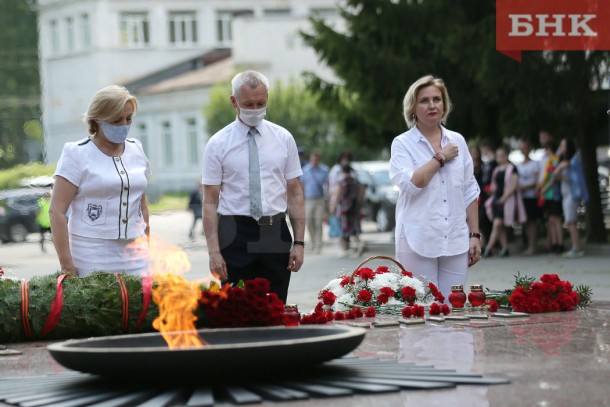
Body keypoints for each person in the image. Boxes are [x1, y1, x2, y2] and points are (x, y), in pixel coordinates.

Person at [202, 70, 305, 303]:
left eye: (261, 102)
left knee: (276, 307)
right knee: (237, 309)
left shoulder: (283, 138)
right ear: (234, 101)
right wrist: (214, 252)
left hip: (274, 230)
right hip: (234, 232)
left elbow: (295, 192)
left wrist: (299, 243)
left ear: (268, 97)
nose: (255, 109)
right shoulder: (218, 143)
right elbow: (209, 200)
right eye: (248, 104)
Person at [389, 75, 481, 299]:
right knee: (425, 309)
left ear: (444, 105)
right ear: (412, 107)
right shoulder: (402, 143)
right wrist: (440, 158)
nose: (432, 105)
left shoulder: (457, 140)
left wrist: (475, 234)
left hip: (455, 238)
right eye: (424, 100)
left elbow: (469, 189)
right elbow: (412, 183)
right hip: (417, 237)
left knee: (453, 307)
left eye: (437, 99)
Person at [49, 85, 151, 276]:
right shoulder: (76, 153)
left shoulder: (136, 149)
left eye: (128, 119)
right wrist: (67, 264)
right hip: (91, 254)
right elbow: (56, 212)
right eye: (116, 120)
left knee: (141, 304)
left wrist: (147, 242)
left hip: (136, 253)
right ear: (97, 119)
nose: (124, 125)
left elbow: (141, 205)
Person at [483, 145, 526, 258]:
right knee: (499, 225)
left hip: (507, 200)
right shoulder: (496, 170)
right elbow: (494, 185)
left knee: (497, 224)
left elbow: (514, 185)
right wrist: (491, 191)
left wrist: (504, 197)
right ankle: (505, 248)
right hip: (497, 199)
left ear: (506, 155)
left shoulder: (512, 168)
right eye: (498, 156)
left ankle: (488, 248)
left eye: (502, 155)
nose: (500, 158)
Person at [555, 138, 589, 258]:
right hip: (566, 194)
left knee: (571, 221)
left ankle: (576, 247)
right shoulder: (565, 161)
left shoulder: (572, 161)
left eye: (563, 145)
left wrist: (559, 169)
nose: (561, 148)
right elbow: (559, 176)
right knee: (570, 221)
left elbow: (569, 176)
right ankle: (576, 246)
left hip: (571, 195)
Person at [300, 151, 329, 254]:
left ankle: (318, 245)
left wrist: (328, 199)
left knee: (318, 222)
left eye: (316, 159)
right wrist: (301, 200)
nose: (315, 161)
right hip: (308, 200)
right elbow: (302, 185)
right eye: (313, 159)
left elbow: (327, 184)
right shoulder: (305, 170)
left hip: (319, 199)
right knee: (309, 222)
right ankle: (312, 242)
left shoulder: (324, 170)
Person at [538, 139, 564, 254]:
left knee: (556, 219)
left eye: (547, 149)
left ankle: (560, 243)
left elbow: (553, 179)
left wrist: (543, 189)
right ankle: (554, 243)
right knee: (551, 220)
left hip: (554, 194)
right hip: (549, 195)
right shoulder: (549, 161)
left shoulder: (555, 161)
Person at [334, 164, 365, 258]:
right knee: (355, 228)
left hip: (344, 208)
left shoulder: (342, 182)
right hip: (354, 207)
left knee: (344, 228)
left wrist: (334, 205)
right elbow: (362, 191)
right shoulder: (355, 181)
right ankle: (359, 244)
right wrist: (359, 202)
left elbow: (338, 195)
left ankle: (344, 249)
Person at [517, 139, 541, 255]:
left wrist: (526, 187)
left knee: (532, 221)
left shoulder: (535, 164)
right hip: (522, 197)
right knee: (525, 221)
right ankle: (527, 244)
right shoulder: (518, 165)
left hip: (531, 196)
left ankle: (533, 245)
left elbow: (536, 182)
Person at [328, 150, 353, 240]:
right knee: (341, 221)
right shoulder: (335, 170)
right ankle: (343, 241)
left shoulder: (351, 170)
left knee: (349, 222)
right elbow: (334, 188)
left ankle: (347, 241)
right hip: (340, 200)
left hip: (350, 201)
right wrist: (332, 202)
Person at [478, 139, 497, 248]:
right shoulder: (485, 163)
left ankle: (491, 246)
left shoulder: (493, 163)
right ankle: (486, 244)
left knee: (487, 219)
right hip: (484, 194)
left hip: (491, 194)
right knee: (483, 220)